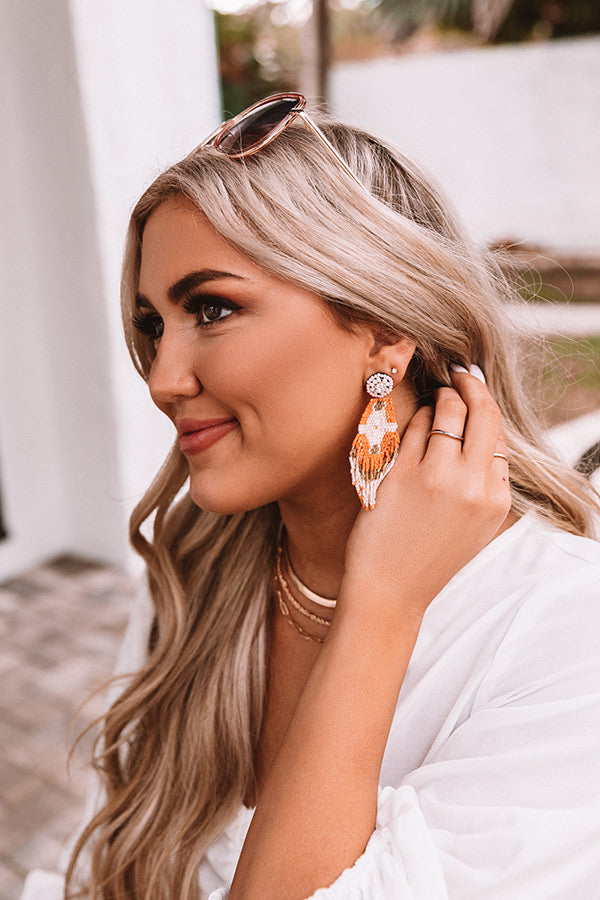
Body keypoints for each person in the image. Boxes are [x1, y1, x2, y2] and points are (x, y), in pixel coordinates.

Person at [21, 93, 600, 900]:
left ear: (384, 329)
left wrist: (382, 607)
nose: (162, 379)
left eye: (212, 308)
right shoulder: (197, 565)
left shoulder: (567, 635)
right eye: (153, 325)